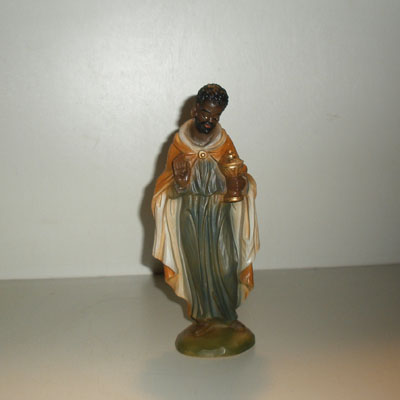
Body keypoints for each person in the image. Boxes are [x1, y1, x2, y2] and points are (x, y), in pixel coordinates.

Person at [152, 84, 259, 330]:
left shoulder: (224, 143)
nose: (209, 120)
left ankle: (227, 317)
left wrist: (240, 183)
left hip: (219, 213)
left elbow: (240, 174)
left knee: (226, 266)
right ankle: (203, 319)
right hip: (190, 214)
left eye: (216, 116)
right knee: (196, 269)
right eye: (205, 114)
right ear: (194, 110)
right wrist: (180, 183)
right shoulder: (179, 144)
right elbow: (164, 189)